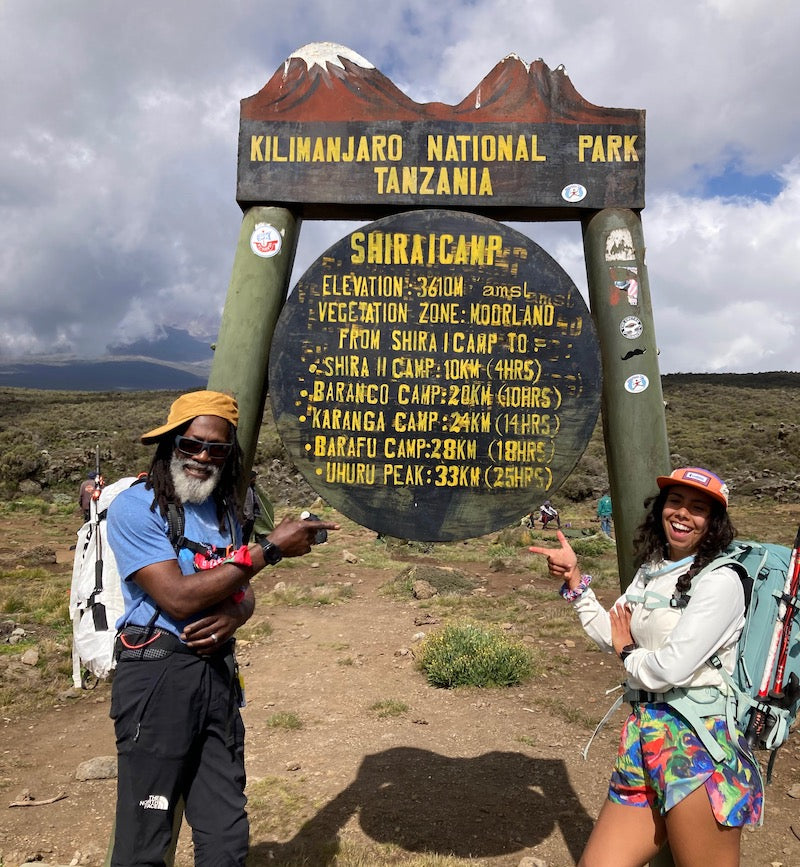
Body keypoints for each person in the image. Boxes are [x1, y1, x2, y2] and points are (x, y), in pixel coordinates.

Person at [106, 390, 339, 866]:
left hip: (217, 675)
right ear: (171, 442)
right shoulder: (138, 507)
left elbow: (238, 589)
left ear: (230, 453)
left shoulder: (227, 510)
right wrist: (268, 551)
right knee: (147, 830)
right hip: (157, 677)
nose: (202, 457)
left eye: (217, 448)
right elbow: (176, 595)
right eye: (192, 444)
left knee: (226, 828)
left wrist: (236, 615)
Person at [529, 467, 763, 867]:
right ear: (661, 509)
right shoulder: (652, 570)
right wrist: (575, 579)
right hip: (645, 733)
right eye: (675, 502)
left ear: (714, 522)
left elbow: (669, 668)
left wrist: (627, 655)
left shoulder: (722, 581)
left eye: (698, 508)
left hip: (697, 744)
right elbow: (613, 633)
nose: (683, 513)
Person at [241, 470, 261, 544]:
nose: (255, 479)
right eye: (254, 478)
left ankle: (244, 549)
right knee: (243, 536)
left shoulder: (253, 489)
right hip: (246, 517)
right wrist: (245, 515)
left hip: (251, 517)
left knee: (247, 536)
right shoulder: (245, 489)